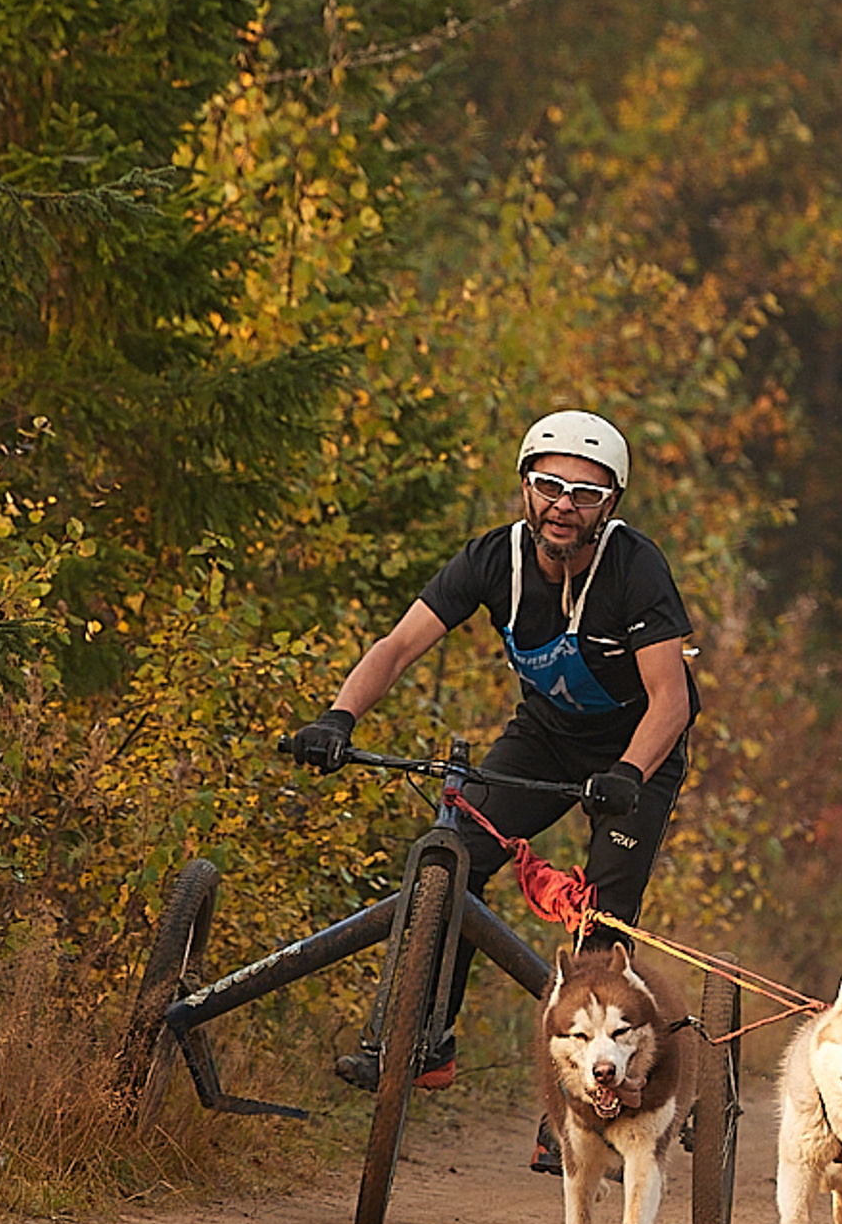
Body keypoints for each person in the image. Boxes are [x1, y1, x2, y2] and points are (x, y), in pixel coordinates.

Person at [286, 411, 698, 1164]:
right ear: (525, 488)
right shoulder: (491, 560)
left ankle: (585, 1102)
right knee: (451, 855)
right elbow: (399, 644)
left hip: (639, 754)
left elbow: (669, 700)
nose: (563, 505)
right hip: (544, 739)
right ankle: (423, 1036)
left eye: (585, 492)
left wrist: (629, 775)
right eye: (549, 486)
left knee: (599, 923)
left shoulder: (637, 569)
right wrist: (338, 718)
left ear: (609, 506)